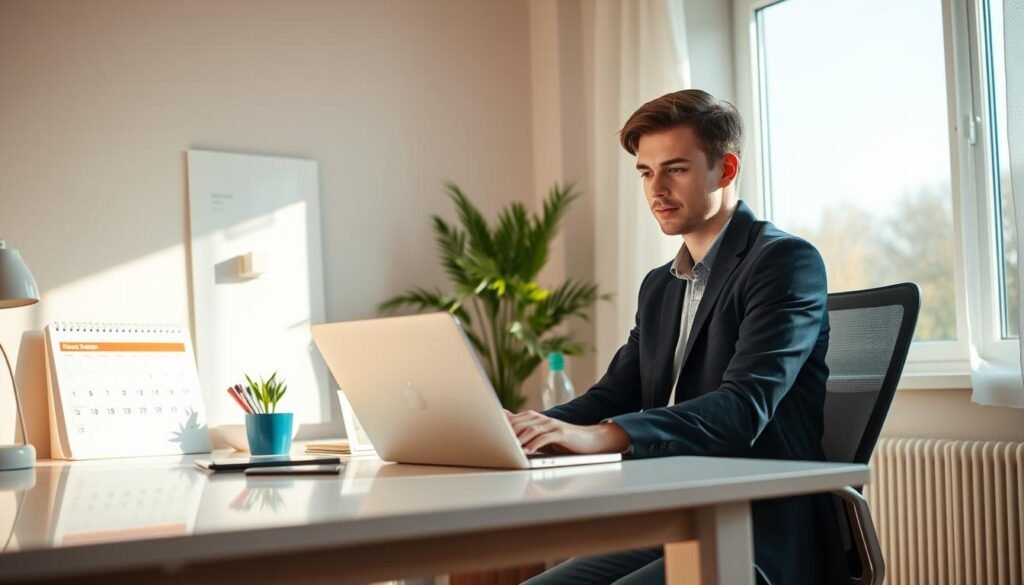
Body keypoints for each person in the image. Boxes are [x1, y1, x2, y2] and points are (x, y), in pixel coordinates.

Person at [508, 89, 847, 585]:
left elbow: (741, 409)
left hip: (758, 531)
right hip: (680, 519)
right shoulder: (660, 286)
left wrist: (601, 436)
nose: (656, 189)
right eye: (646, 172)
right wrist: (525, 430)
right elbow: (615, 392)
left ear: (726, 169)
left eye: (677, 169)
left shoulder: (783, 263)